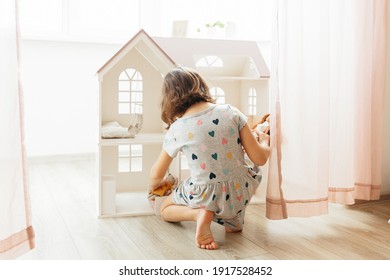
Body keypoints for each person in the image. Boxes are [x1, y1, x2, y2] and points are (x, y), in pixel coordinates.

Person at [149, 67, 270, 250]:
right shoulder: (231, 112)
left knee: (165, 210)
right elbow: (259, 158)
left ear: (169, 99)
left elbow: (156, 174)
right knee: (234, 226)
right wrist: (267, 142)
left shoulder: (178, 128)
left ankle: (198, 214)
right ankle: (231, 221)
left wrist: (156, 184)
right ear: (201, 87)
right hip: (240, 192)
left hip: (205, 193)